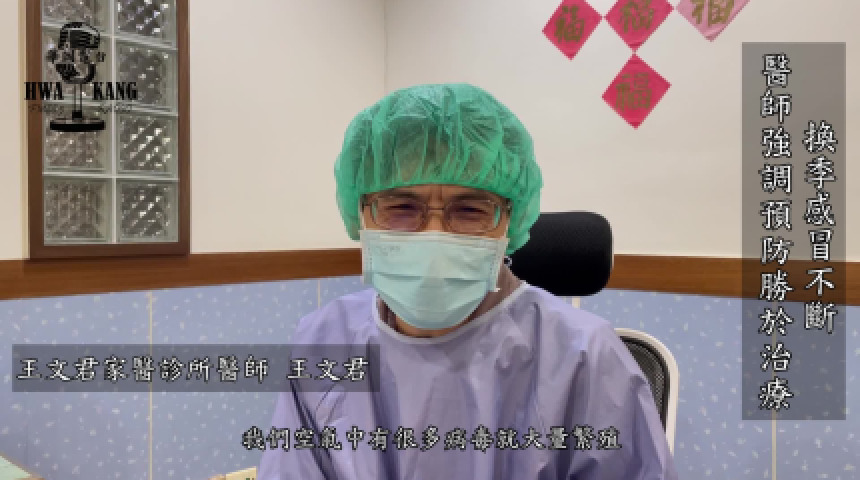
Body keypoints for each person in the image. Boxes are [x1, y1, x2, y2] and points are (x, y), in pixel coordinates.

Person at [258, 83, 678, 479]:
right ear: (360, 214)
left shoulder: (583, 359)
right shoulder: (323, 342)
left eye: (471, 210)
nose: (433, 234)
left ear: (510, 221)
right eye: (401, 207)